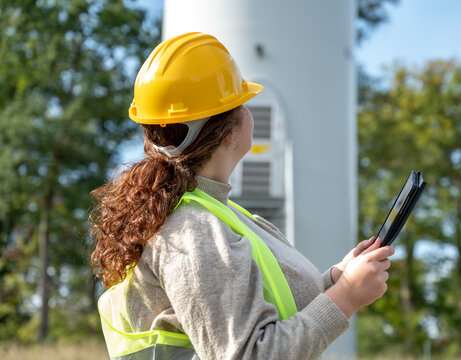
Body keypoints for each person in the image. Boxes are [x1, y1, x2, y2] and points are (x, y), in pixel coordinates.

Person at [90, 32, 393, 360]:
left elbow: (268, 314)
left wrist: (338, 278)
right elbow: (249, 353)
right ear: (229, 135)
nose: (250, 110)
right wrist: (346, 297)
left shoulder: (215, 215)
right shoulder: (192, 232)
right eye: (241, 102)